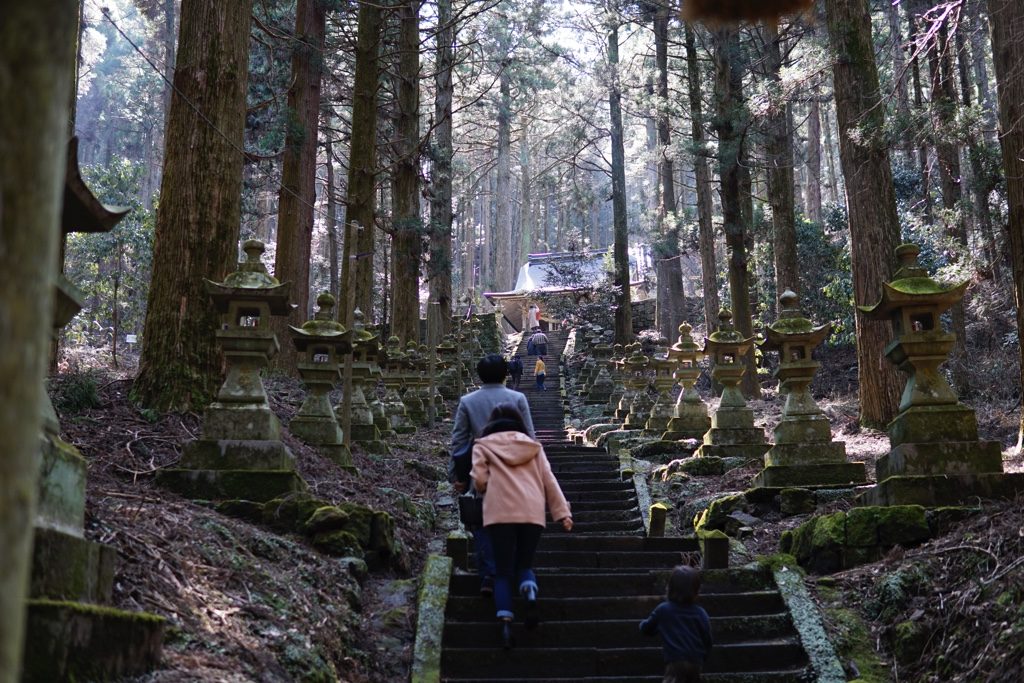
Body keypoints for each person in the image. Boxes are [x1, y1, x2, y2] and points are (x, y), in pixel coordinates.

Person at [472, 404, 572, 648]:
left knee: (503, 571)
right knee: (524, 564)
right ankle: (529, 591)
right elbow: (550, 481)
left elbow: (479, 480)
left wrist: (485, 487)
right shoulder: (533, 447)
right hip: (532, 511)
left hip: (499, 512)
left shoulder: (483, 446)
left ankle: (506, 621)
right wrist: (563, 514)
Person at [449, 354, 536, 596]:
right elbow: (529, 436)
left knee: (483, 522)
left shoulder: (468, 401)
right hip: (515, 468)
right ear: (505, 374)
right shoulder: (517, 398)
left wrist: (458, 474)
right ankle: (514, 570)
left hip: (483, 467)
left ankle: (489, 573)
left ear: (480, 375)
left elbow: (458, 441)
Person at [639, 565, 714, 683]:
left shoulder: (663, 609)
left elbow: (647, 628)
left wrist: (642, 625)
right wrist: (703, 656)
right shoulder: (701, 613)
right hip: (696, 661)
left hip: (676, 660)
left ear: (670, 588)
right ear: (696, 591)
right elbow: (707, 639)